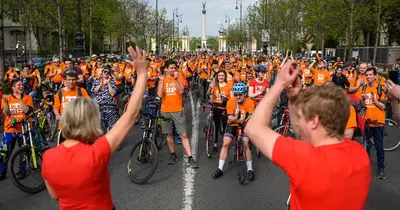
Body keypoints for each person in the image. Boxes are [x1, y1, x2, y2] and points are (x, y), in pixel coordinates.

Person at [245, 61, 370, 209]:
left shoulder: (305, 158)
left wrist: (279, 84)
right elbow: (301, 132)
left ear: (314, 121)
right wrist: (293, 98)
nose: (299, 120)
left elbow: (253, 128)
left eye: (303, 115)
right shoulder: (360, 154)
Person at [42, 46, 148, 209]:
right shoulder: (96, 153)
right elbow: (130, 115)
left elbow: (55, 195)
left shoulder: (48, 157)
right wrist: (142, 74)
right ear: (90, 121)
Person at [157, 59, 198, 168]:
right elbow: (160, 95)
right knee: (169, 134)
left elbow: (181, 91)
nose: (173, 70)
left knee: (183, 134)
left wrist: (175, 80)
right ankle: (173, 154)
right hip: (165, 110)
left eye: (175, 68)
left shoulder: (179, 77)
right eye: (171, 68)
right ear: (166, 69)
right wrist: (161, 81)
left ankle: (190, 157)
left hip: (177, 110)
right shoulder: (162, 79)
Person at [212, 82, 255, 181]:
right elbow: (230, 119)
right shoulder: (231, 102)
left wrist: (243, 120)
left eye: (240, 94)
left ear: (245, 94)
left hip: (245, 124)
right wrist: (237, 117)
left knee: (245, 144)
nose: (238, 96)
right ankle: (220, 168)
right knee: (226, 143)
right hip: (232, 124)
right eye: (236, 94)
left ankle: (250, 169)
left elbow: (251, 117)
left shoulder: (250, 102)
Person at [0, 79, 33, 181]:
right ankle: (2, 172)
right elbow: (6, 113)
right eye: (19, 85)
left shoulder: (28, 97)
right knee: (4, 152)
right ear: (13, 88)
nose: (21, 87)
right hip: (10, 129)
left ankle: (22, 170)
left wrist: (20, 99)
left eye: (22, 85)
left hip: (24, 129)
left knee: (24, 151)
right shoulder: (7, 98)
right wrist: (5, 102)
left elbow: (27, 111)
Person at [361, 68, 387, 179]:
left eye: (370, 74)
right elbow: (363, 105)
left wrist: (374, 99)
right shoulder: (364, 87)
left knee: (379, 147)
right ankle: (366, 169)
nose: (368, 76)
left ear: (375, 76)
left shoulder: (380, 88)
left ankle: (381, 169)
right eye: (367, 75)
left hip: (378, 123)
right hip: (367, 122)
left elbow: (383, 106)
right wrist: (363, 100)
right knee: (366, 147)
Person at [53, 69, 90, 143]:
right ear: (65, 80)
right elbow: (56, 108)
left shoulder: (82, 91)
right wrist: (57, 115)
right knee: (63, 152)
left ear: (76, 80)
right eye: (69, 80)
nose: (71, 82)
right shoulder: (60, 92)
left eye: (73, 80)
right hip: (64, 127)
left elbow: (89, 106)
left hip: (79, 128)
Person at [207, 70, 233, 152]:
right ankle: (215, 143)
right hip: (216, 107)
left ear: (225, 77)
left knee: (225, 126)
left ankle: (225, 144)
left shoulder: (229, 86)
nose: (221, 77)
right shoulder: (214, 85)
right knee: (217, 126)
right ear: (217, 77)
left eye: (222, 76)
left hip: (225, 108)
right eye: (219, 76)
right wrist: (210, 87)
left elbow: (232, 99)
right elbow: (208, 94)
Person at [92, 68, 119, 132]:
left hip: (109, 104)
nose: (106, 74)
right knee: (99, 124)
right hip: (98, 104)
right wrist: (101, 84)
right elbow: (94, 91)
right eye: (105, 72)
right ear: (102, 72)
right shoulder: (96, 81)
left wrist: (108, 82)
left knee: (112, 124)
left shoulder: (112, 82)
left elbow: (112, 93)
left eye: (108, 72)